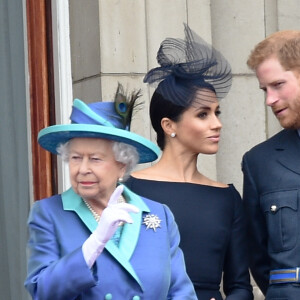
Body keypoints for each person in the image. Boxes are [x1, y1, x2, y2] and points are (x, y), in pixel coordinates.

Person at [24, 84, 198, 300]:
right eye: (76, 158)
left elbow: (180, 292)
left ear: (122, 165)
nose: (83, 169)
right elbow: (41, 291)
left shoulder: (158, 214)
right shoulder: (49, 214)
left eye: (95, 159)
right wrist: (94, 243)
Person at [125, 24, 253, 300]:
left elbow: (240, 286)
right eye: (203, 114)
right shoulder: (129, 190)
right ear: (169, 125)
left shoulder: (227, 197)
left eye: (217, 113)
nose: (217, 124)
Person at [242, 30, 300, 299]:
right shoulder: (259, 162)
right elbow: (259, 258)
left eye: (278, 85)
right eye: (265, 89)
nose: (269, 100)